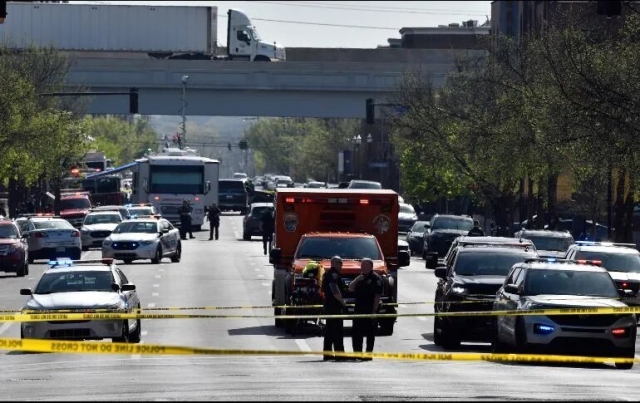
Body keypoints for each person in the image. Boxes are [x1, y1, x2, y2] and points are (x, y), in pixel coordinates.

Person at [348, 258, 382, 361]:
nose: (362, 268)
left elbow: (377, 296)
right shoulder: (359, 278)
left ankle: (368, 354)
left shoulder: (376, 279)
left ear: (371, 267)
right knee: (356, 333)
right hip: (358, 309)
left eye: (365, 266)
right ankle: (357, 353)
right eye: (362, 266)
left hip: (370, 309)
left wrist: (374, 311)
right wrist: (357, 279)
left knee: (370, 333)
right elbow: (350, 288)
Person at [321, 256, 347, 361]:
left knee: (330, 330)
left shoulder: (329, 274)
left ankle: (327, 354)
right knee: (337, 330)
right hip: (334, 305)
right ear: (334, 263)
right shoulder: (333, 275)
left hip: (329, 305)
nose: (341, 265)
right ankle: (339, 354)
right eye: (339, 263)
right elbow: (334, 289)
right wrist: (342, 301)